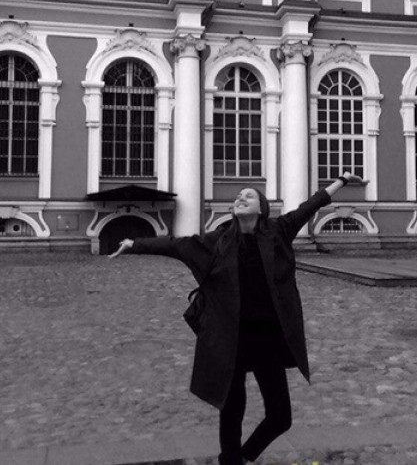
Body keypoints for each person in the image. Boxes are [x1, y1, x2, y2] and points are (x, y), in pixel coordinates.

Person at [109, 171, 366, 464]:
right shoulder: (218, 241)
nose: (240, 198)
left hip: (267, 339)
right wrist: (134, 244)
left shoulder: (278, 232)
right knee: (232, 410)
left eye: (248, 196)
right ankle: (230, 460)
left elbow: (311, 205)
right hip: (229, 339)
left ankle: (243, 455)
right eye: (238, 196)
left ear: (261, 208)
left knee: (280, 416)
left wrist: (342, 180)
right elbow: (176, 246)